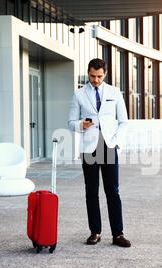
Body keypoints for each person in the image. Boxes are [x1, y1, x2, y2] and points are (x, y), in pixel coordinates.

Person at [68, 58, 130, 247]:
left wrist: (115, 142)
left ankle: (118, 234)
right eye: (93, 76)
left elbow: (124, 121)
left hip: (109, 146)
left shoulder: (114, 92)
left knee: (113, 191)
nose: (95, 80)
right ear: (88, 73)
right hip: (89, 148)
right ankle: (95, 232)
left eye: (99, 76)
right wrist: (81, 125)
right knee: (91, 191)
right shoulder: (79, 94)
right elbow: (70, 122)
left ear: (105, 74)